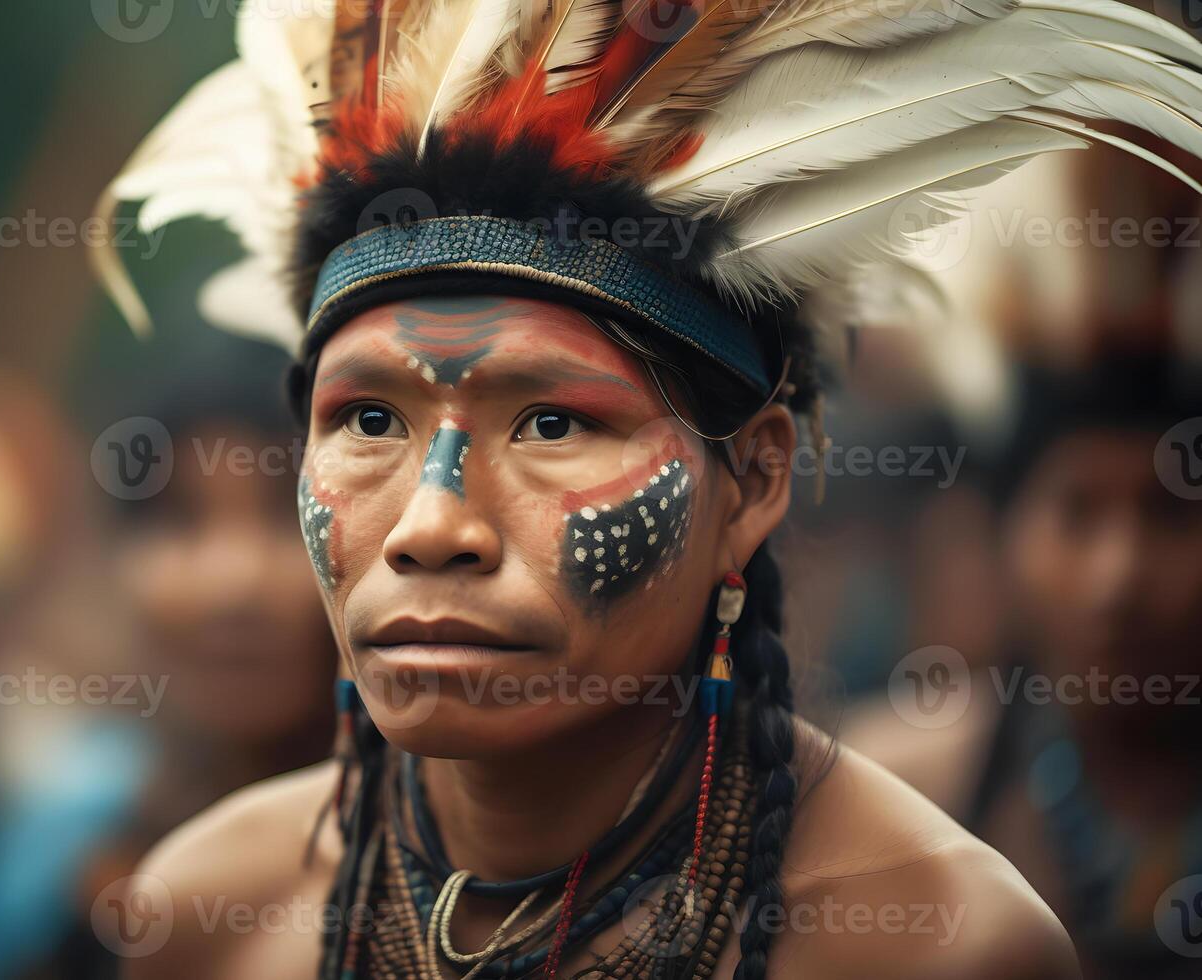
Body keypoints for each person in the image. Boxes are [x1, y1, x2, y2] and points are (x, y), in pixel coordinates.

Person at [92, 0, 1202, 975]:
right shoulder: (205, 914)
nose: (432, 524)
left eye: (555, 421)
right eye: (368, 418)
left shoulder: (935, 944)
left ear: (756, 476)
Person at [846, 355, 1202, 979]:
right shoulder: (900, 790)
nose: (1118, 576)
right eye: (1076, 513)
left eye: (1170, 515)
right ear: (1005, 538)